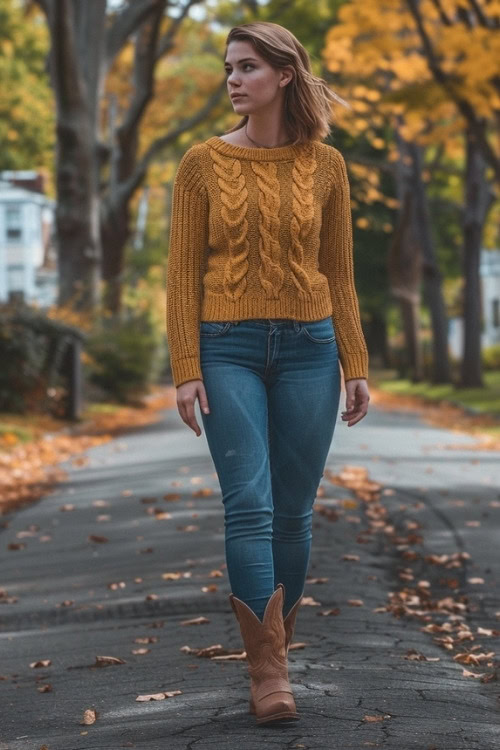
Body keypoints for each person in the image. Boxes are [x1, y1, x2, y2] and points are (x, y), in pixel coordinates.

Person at [166, 21, 370, 726]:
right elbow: (181, 276)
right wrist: (186, 367)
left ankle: (277, 645)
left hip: (312, 348)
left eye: (248, 66)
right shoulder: (200, 164)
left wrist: (356, 362)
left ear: (285, 74)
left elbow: (338, 274)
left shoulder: (328, 166)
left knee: (293, 511)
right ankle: (268, 675)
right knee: (247, 504)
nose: (233, 79)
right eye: (229, 66)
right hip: (227, 347)